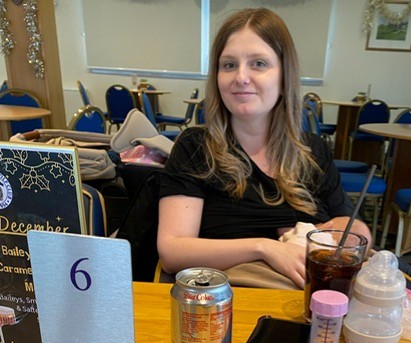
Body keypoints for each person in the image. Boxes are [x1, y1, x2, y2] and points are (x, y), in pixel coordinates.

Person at [157, 7, 372, 289]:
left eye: (258, 63)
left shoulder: (313, 152)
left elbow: (352, 230)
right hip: (231, 304)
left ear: (284, 78)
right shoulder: (197, 148)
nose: (241, 77)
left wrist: (355, 233)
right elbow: (172, 252)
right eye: (229, 65)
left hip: (319, 306)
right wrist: (266, 248)